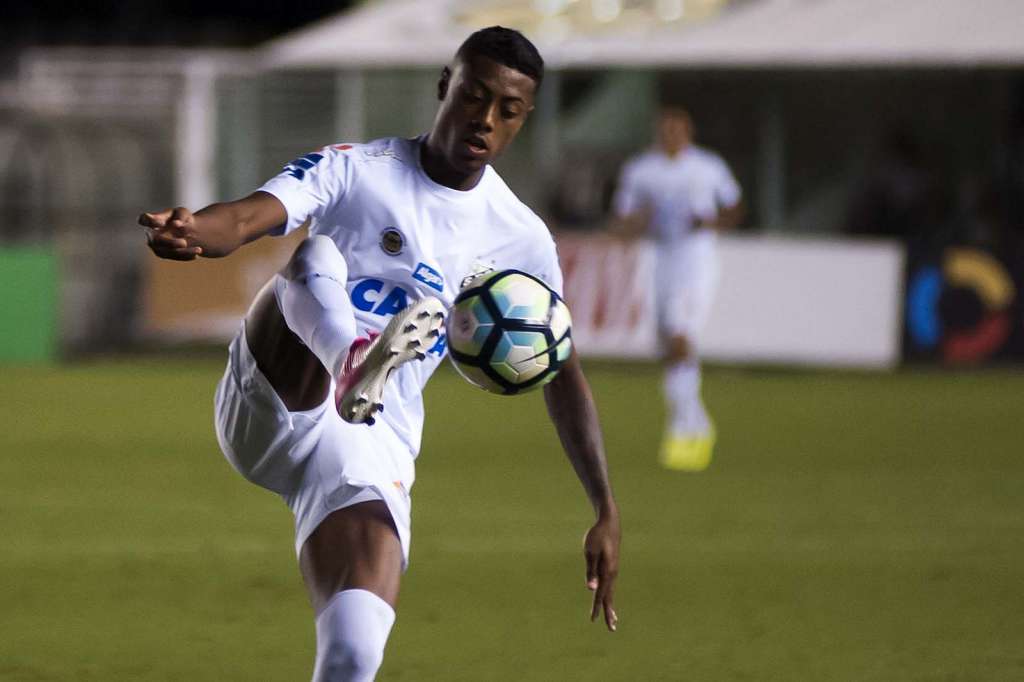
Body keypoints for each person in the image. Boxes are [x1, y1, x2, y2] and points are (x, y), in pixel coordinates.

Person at [139, 27, 620, 682]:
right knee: (316, 256)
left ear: (523, 119)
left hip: (370, 438)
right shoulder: (357, 169)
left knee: (354, 654)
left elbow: (560, 369)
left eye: (507, 109)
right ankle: (350, 356)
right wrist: (196, 231)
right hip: (281, 392)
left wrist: (605, 509)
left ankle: (361, 371)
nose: (484, 119)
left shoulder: (520, 237)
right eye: (474, 95)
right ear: (444, 87)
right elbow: (249, 219)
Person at [612, 103, 743, 472]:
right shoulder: (641, 171)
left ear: (688, 132)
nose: (671, 135)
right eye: (665, 129)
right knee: (667, 343)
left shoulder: (708, 166)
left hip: (697, 259)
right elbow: (620, 221)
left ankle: (685, 427)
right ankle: (696, 420)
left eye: (677, 129)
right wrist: (641, 219)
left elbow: (734, 208)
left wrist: (710, 222)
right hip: (660, 258)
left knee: (680, 333)